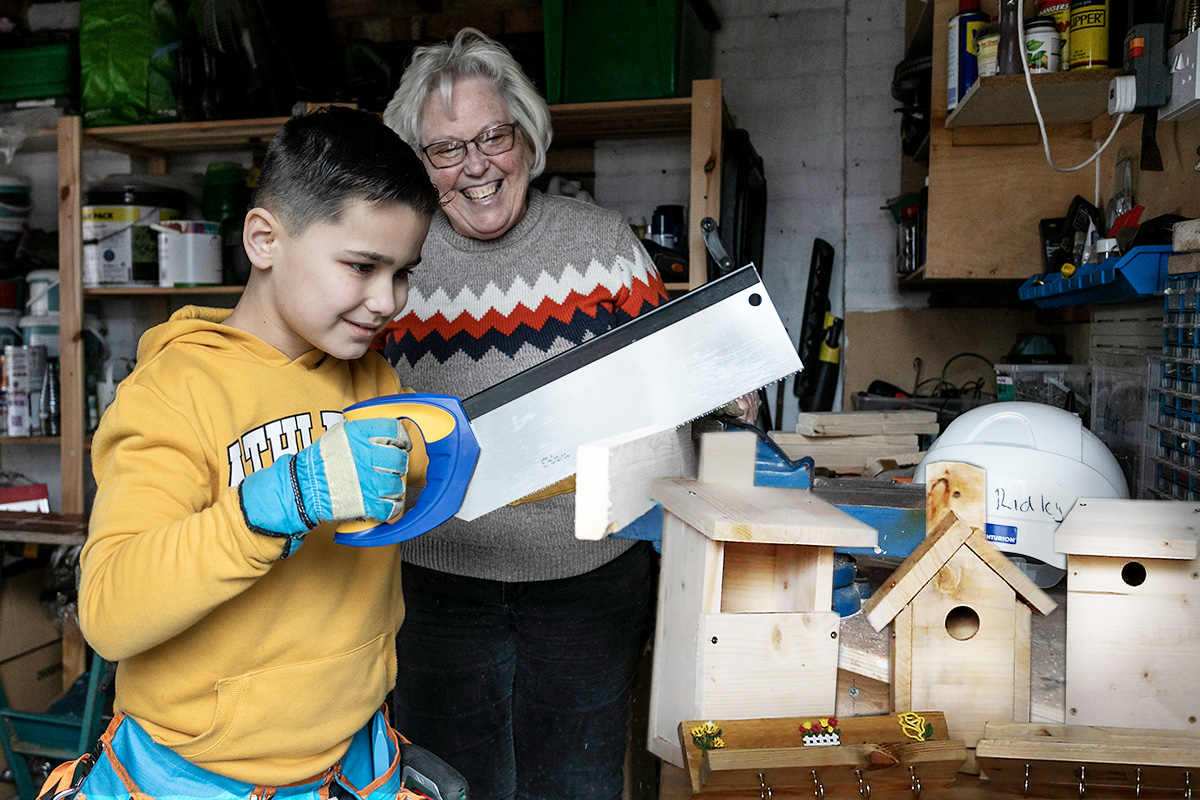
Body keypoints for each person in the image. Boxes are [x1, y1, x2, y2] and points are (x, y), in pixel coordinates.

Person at [56, 106, 443, 800]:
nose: (388, 301)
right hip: (196, 778)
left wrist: (419, 458)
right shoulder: (173, 392)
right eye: (361, 266)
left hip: (353, 760)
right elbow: (109, 613)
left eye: (403, 272)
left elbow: (411, 470)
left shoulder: (372, 377)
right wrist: (278, 503)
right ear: (265, 239)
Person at [377, 28, 671, 800]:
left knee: (575, 780)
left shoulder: (603, 245)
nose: (475, 165)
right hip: (434, 583)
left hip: (590, 582)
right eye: (445, 149)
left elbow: (667, 397)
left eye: (492, 136)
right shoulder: (393, 261)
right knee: (445, 782)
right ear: (418, 161)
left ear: (527, 138)